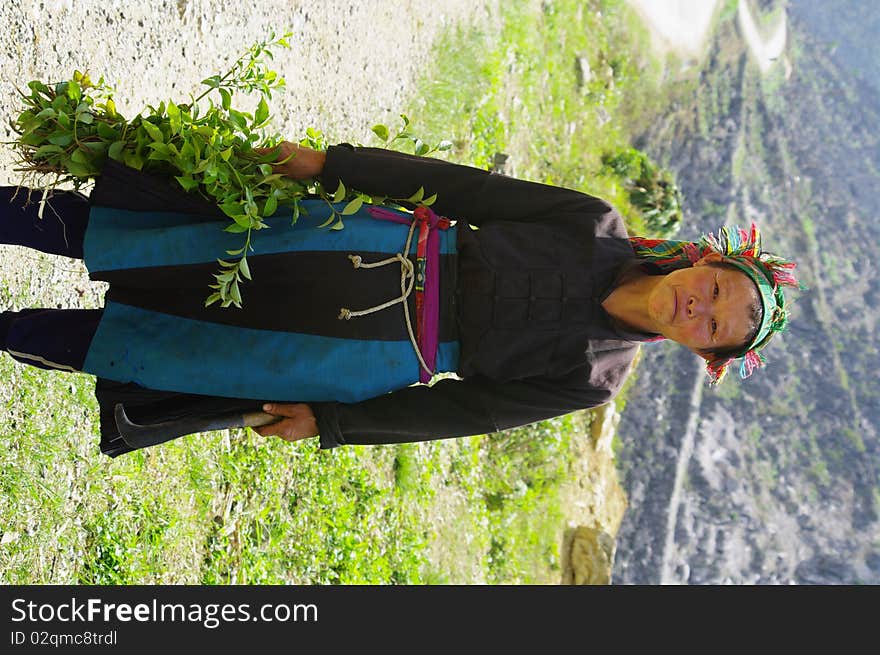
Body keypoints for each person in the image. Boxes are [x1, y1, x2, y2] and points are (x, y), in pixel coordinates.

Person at [0, 142, 799, 456]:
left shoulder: (593, 378)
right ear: (707, 258)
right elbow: (467, 189)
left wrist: (335, 420)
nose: (699, 306)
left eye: (715, 326)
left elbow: (465, 413)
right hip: (354, 241)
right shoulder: (593, 224)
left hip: (362, 354)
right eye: (716, 289)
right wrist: (336, 166)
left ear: (706, 355)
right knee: (154, 234)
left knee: (161, 345)